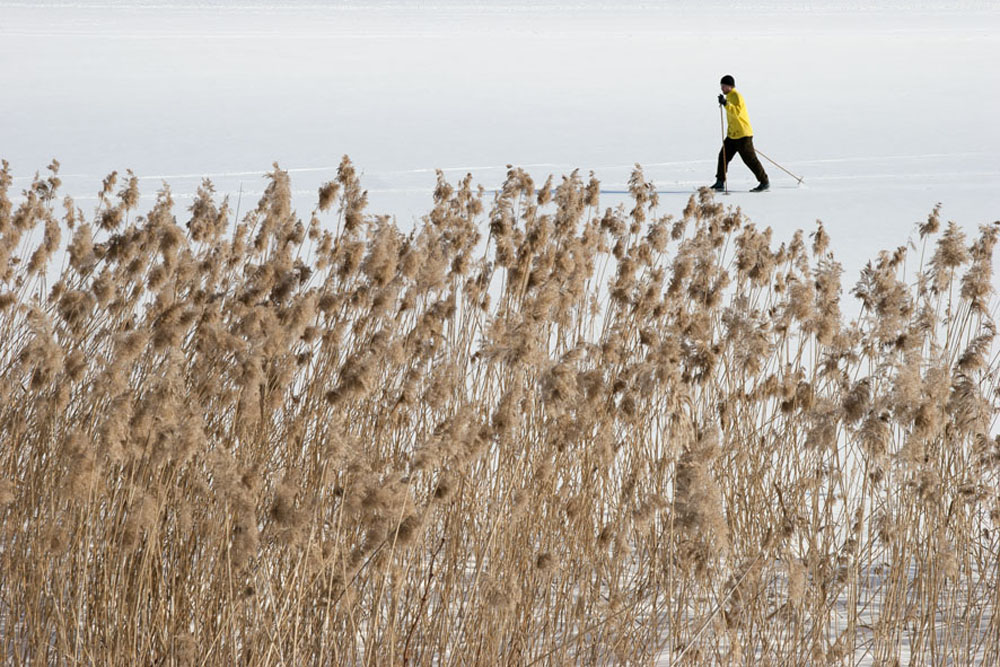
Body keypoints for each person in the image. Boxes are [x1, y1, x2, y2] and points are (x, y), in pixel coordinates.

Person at [710, 75, 769, 192]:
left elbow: (736, 112)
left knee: (750, 160)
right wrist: (725, 103)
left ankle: (764, 181)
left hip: (743, 135)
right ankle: (720, 182)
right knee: (723, 156)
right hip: (733, 135)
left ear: (730, 86)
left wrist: (725, 103)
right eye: (721, 86)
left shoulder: (736, 96)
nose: (722, 88)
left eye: (724, 86)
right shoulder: (730, 97)